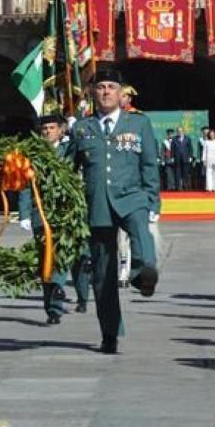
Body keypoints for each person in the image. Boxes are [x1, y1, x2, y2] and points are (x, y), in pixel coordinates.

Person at [67, 69, 161, 354]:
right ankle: (109, 331)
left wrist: (152, 200)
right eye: (101, 87)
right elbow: (68, 167)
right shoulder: (82, 128)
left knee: (141, 235)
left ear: (122, 93)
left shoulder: (139, 123)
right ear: (93, 93)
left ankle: (143, 274)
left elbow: (149, 164)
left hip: (132, 196)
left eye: (111, 87)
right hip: (96, 203)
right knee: (103, 273)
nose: (106, 91)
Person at [17, 113, 82, 324]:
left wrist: (75, 127)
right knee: (46, 259)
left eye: (52, 128)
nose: (48, 132)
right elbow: (26, 186)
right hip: (40, 212)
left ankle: (58, 291)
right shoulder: (33, 155)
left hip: (63, 212)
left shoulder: (68, 150)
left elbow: (81, 148)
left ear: (61, 130)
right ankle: (51, 308)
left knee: (61, 255)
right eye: (45, 129)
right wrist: (25, 214)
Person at [171, 126, 192, 191]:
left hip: (185, 158)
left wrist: (190, 156)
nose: (179, 132)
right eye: (178, 131)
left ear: (183, 131)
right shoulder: (174, 139)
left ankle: (185, 186)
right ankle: (178, 187)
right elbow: (172, 149)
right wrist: (172, 157)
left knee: (185, 173)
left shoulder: (187, 138)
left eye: (180, 131)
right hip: (177, 159)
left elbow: (190, 148)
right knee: (177, 173)